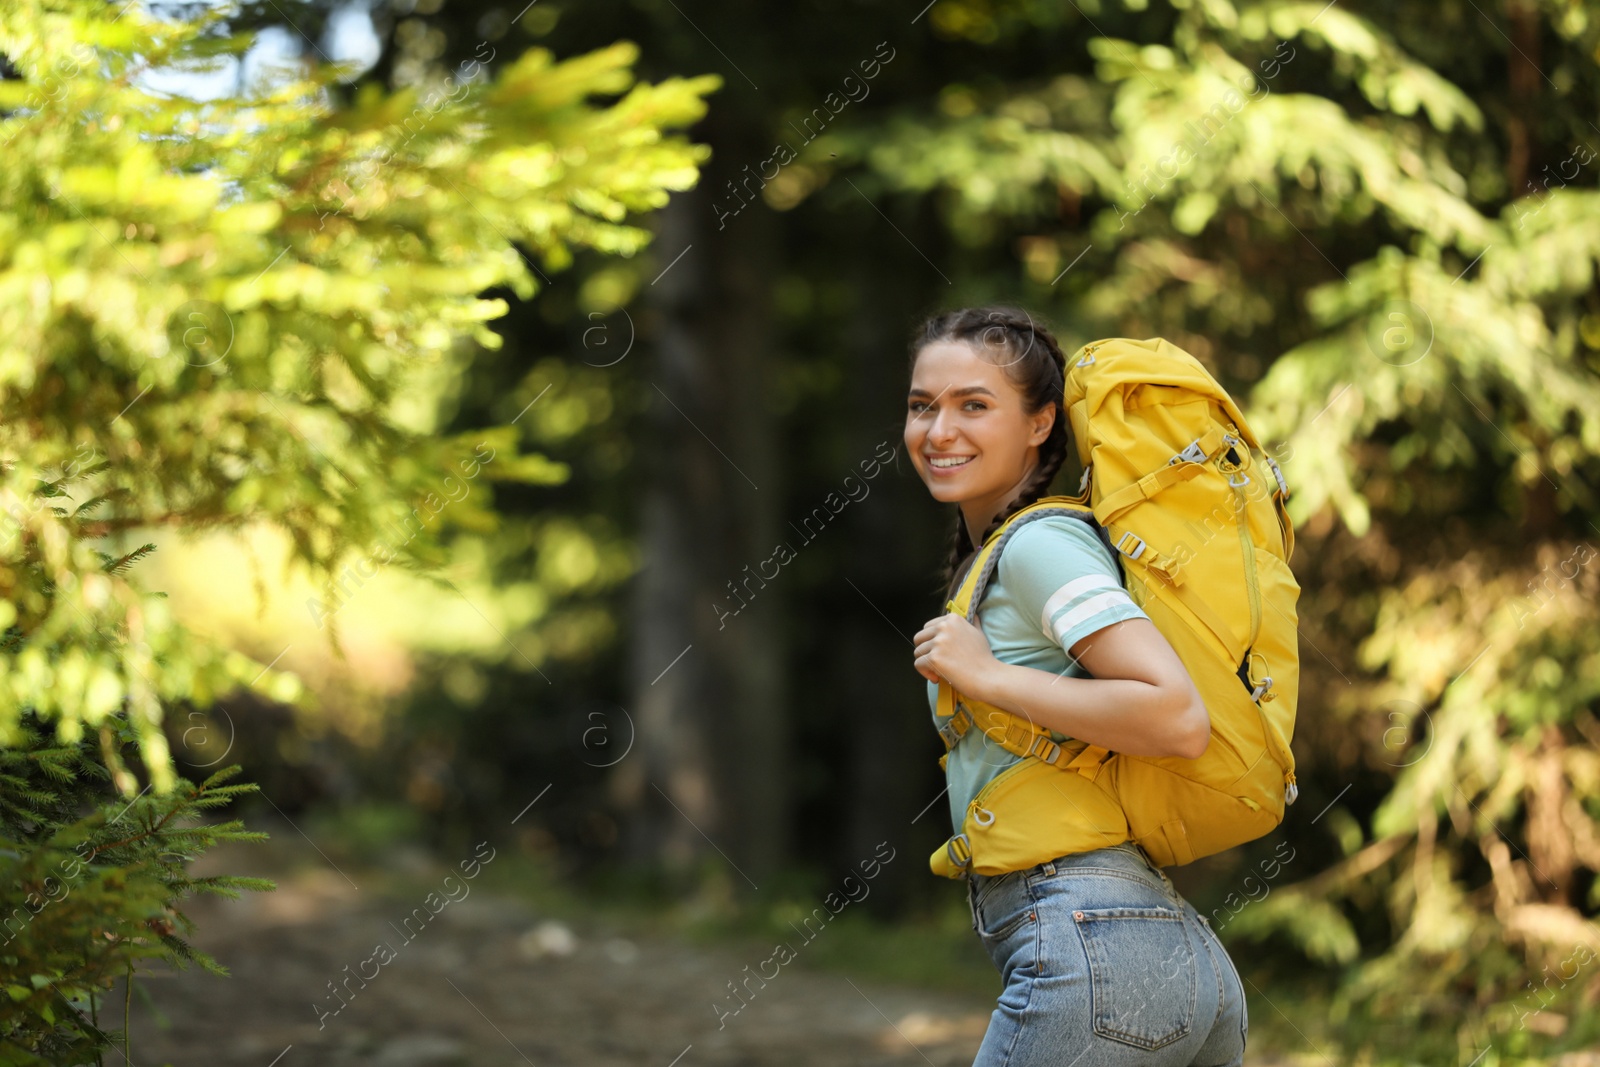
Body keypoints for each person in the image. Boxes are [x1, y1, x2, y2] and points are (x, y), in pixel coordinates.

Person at [905, 306, 1249, 1067]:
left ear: (1040, 424)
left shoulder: (1040, 546)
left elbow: (1174, 714)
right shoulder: (1004, 554)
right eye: (922, 405)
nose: (939, 430)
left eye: (974, 404)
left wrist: (988, 675)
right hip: (1157, 950)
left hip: (1101, 951)